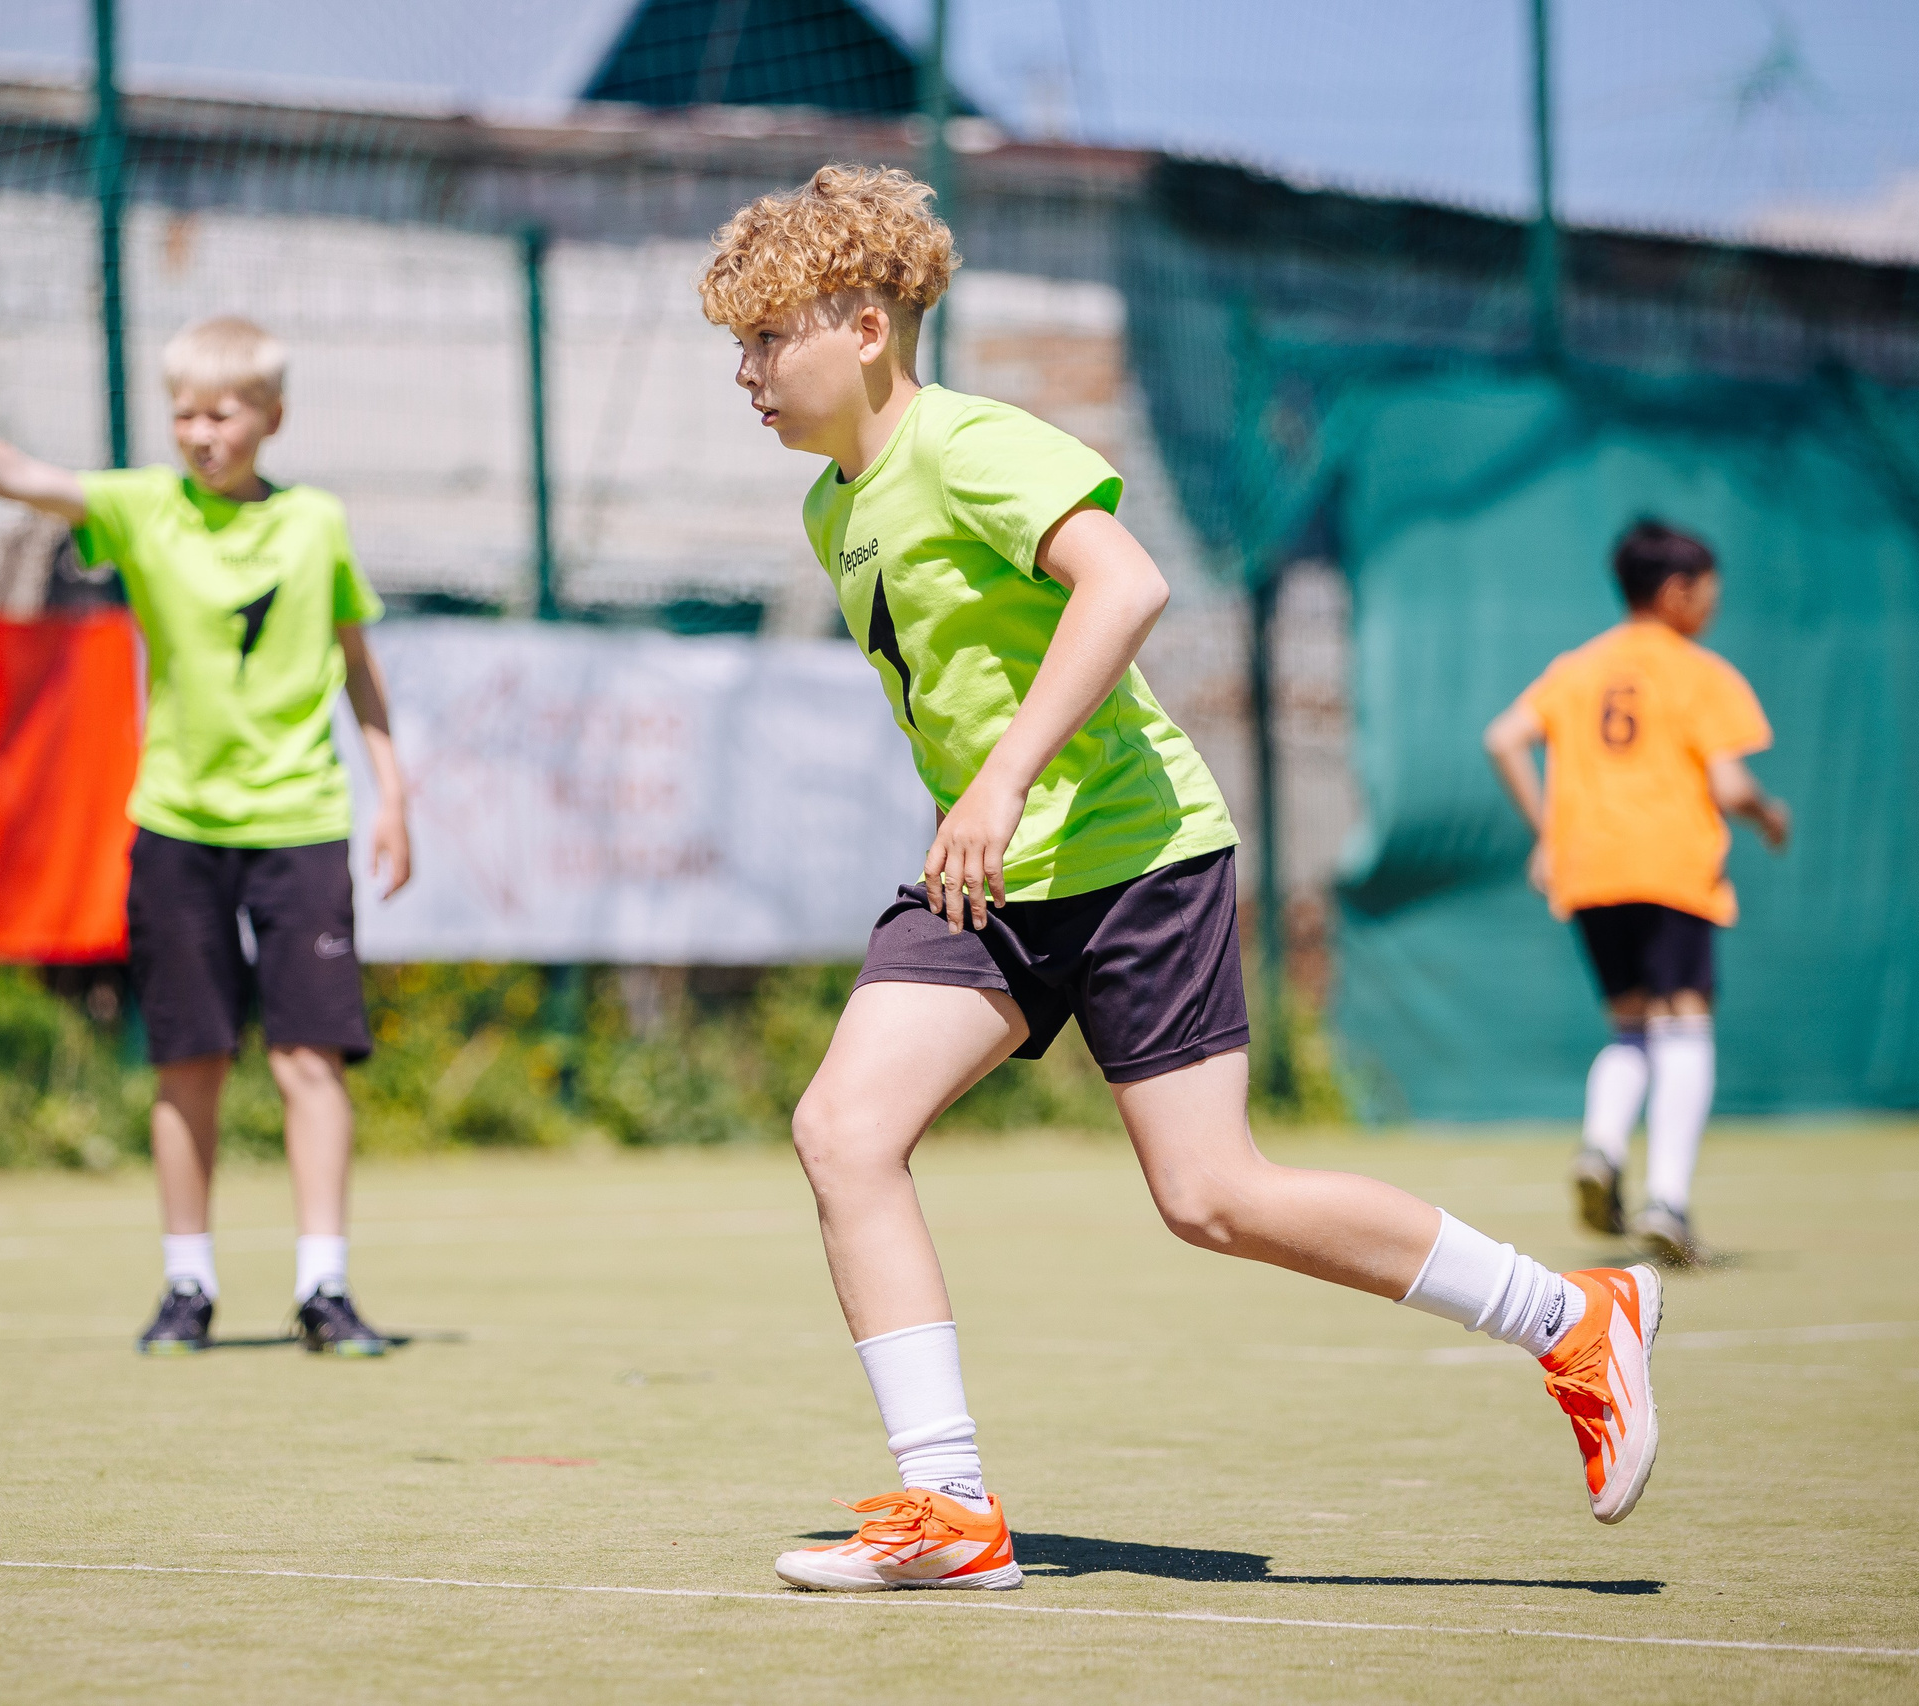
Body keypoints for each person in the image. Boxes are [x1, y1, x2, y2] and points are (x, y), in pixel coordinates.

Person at [698, 164, 1667, 1595]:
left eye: (768, 339)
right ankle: (948, 1507)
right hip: (992, 882)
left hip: (1135, 855)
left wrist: (1001, 780)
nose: (747, 373)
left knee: (1212, 1195)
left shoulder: (971, 444)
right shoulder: (831, 513)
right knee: (843, 1129)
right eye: (737, 346)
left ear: (862, 326)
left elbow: (1128, 583)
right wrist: (986, 805)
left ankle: (1567, 1315)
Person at [0, 315, 411, 1356]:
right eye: (183, 413)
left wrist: (393, 793)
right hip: (176, 826)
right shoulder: (145, 509)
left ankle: (324, 1287)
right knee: (188, 1058)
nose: (200, 433)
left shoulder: (315, 523)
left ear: (272, 418)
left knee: (309, 1061)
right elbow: (23, 476)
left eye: (221, 414)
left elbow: (357, 664)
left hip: (302, 824)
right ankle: (188, 1286)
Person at [1484, 520, 1788, 1266]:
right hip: (1670, 866)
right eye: (1709, 591)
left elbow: (1504, 738)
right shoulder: (1700, 673)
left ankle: (1602, 1145)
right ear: (1677, 591)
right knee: (1685, 1022)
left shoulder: (1578, 668)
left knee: (1630, 1025)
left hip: (1589, 869)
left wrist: (1549, 833)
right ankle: (1668, 1203)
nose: (1713, 605)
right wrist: (1767, 813)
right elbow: (1729, 785)